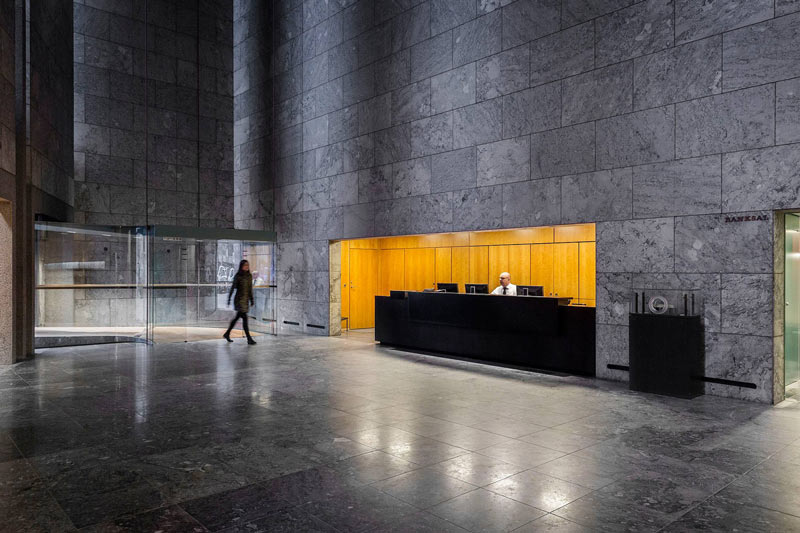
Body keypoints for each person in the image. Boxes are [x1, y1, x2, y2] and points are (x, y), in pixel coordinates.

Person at [223, 260, 257, 345]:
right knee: (244, 319)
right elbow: (233, 288)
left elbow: (250, 289)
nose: (246, 266)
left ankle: (227, 333)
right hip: (239, 300)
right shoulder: (238, 276)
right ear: (241, 266)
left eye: (247, 265)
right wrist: (229, 299)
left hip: (245, 301)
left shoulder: (249, 276)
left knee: (237, 318)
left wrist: (251, 300)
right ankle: (249, 338)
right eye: (245, 265)